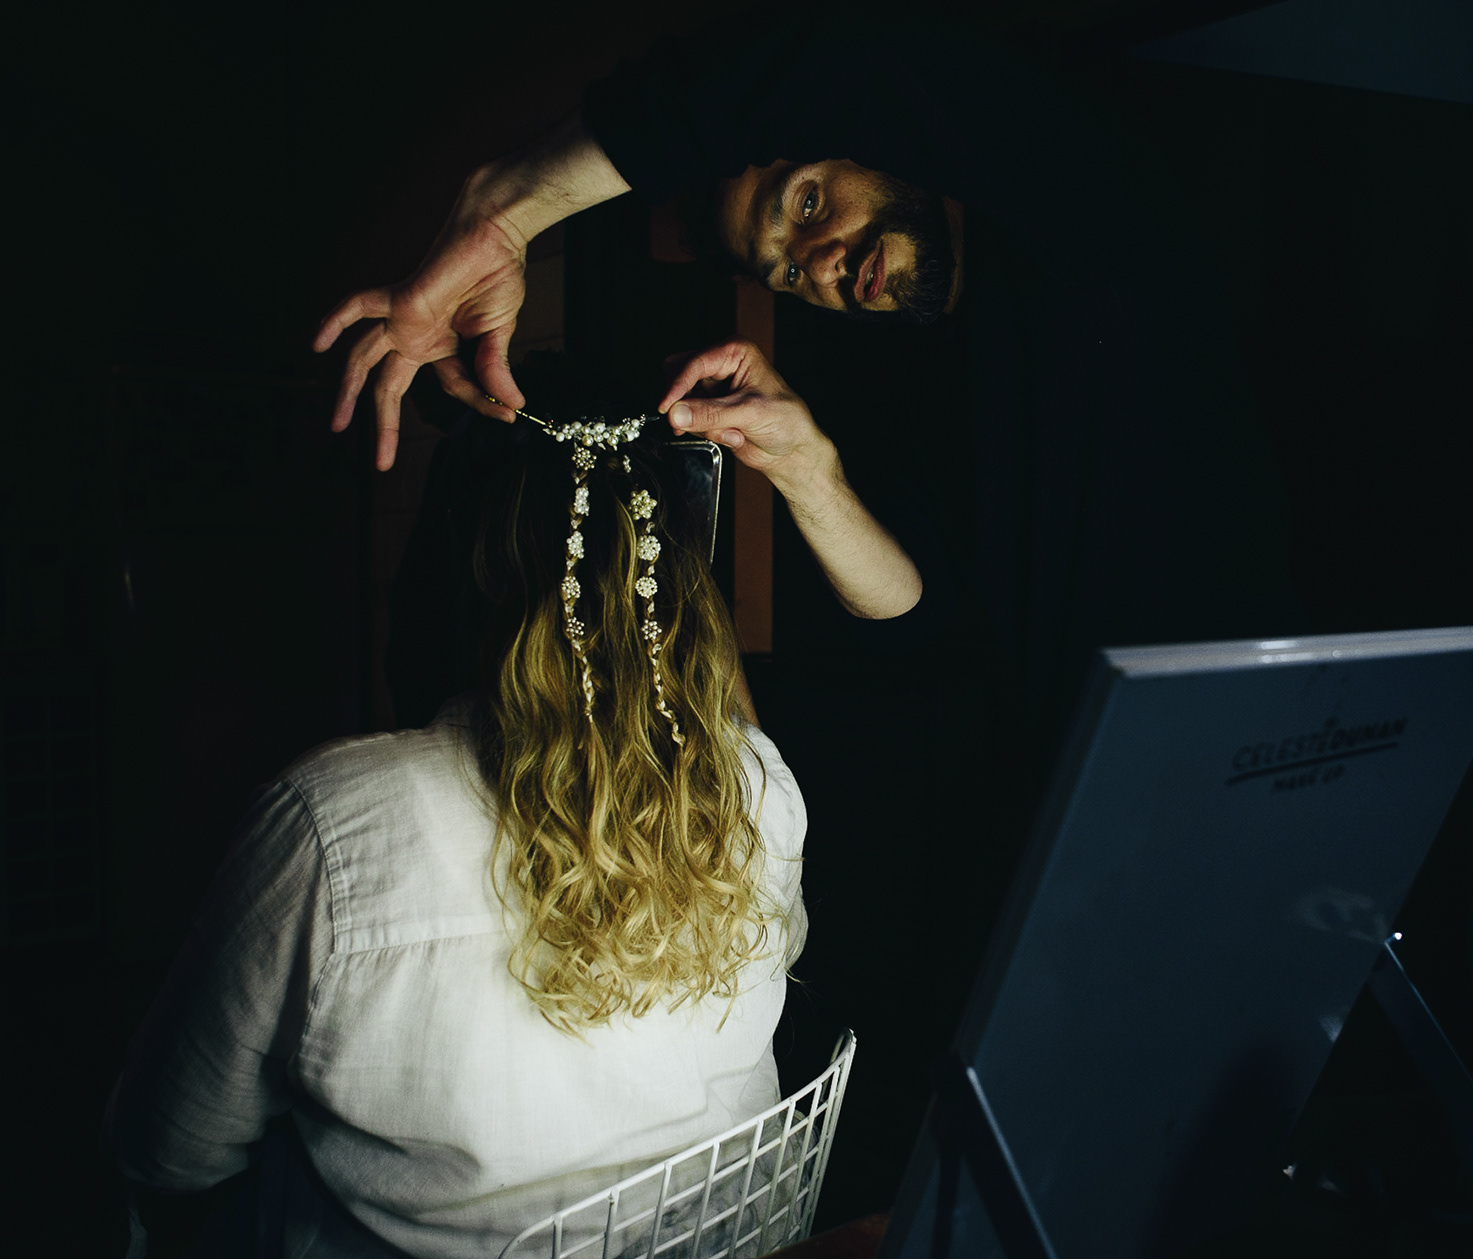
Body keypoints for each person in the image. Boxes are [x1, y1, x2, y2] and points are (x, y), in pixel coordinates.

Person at [314, 6, 1307, 746]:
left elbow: (826, 66)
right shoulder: (915, 379)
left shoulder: (1064, 184)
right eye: (789, 269)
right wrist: (810, 471)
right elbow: (916, 613)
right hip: (1101, 774)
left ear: (876, 140)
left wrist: (506, 213)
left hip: (1273, 707)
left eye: (807, 201)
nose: (822, 257)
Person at [104, 412, 808, 1259]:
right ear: (688, 606)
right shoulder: (759, 789)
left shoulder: (332, 823)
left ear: (445, 589)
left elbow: (169, 1147)